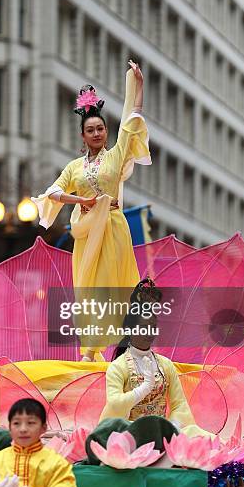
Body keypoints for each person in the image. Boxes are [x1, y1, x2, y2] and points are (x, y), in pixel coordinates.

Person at [32, 61, 151, 361]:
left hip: (112, 228)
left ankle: (116, 346)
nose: (96, 133)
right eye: (90, 130)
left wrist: (139, 87)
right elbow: (54, 193)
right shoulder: (74, 167)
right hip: (85, 234)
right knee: (87, 289)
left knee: (112, 286)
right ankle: (90, 348)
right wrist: (82, 202)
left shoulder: (116, 155)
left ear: (106, 132)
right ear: (82, 136)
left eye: (100, 128)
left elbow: (133, 120)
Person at [98, 279, 205, 439]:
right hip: (130, 434)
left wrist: (173, 426)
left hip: (162, 433)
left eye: (153, 327)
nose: (150, 333)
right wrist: (143, 389)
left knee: (198, 436)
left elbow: (179, 404)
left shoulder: (165, 365)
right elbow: (114, 405)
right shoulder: (118, 367)